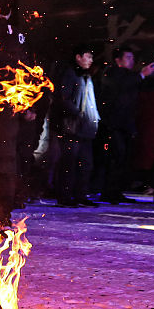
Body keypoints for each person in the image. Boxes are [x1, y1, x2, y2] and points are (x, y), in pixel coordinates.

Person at [95, 46, 154, 203]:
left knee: (124, 159)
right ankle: (108, 192)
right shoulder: (110, 72)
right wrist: (141, 75)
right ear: (118, 60)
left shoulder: (131, 76)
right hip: (112, 124)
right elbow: (121, 84)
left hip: (126, 124)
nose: (132, 60)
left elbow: (146, 86)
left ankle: (116, 191)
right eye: (128, 57)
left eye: (132, 58)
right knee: (115, 158)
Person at [53, 44, 99, 207]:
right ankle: (65, 196)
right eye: (88, 56)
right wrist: (77, 113)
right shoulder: (70, 73)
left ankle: (80, 195)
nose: (91, 60)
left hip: (84, 127)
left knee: (85, 163)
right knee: (70, 162)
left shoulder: (85, 75)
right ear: (78, 57)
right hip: (73, 126)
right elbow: (63, 98)